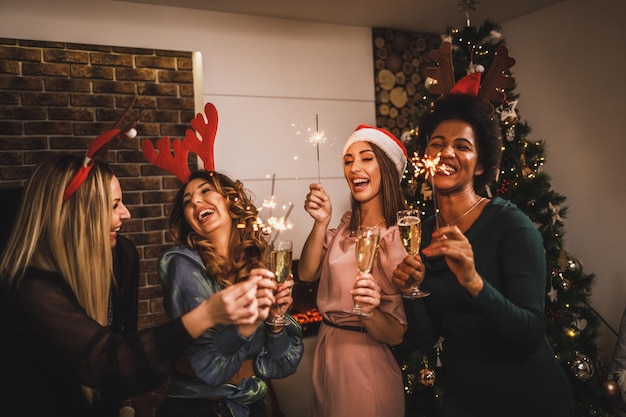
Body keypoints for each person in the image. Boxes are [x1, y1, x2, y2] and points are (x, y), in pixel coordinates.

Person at [0, 154, 274, 417]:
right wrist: (208, 314)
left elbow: (122, 338)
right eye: (114, 204)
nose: (127, 213)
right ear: (77, 213)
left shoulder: (121, 257)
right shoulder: (28, 289)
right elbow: (111, 360)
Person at [392, 92, 576, 417]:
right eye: (437, 143)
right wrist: (410, 293)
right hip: (466, 399)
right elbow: (426, 338)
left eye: (462, 146)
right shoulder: (419, 233)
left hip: (529, 399)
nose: (446, 151)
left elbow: (530, 334)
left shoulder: (511, 226)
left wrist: (474, 282)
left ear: (481, 165)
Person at [155, 170, 304, 417]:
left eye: (205, 191)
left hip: (253, 403)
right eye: (187, 201)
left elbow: (280, 365)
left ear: (229, 199)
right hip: (200, 408)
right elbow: (211, 364)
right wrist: (249, 321)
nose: (195, 201)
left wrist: (275, 321)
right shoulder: (182, 264)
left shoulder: (257, 263)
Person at [299, 125, 408, 417]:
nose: (354, 167)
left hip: (364, 362)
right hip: (327, 352)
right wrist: (321, 222)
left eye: (366, 158)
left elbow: (397, 333)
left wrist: (370, 311)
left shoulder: (394, 238)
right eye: (348, 161)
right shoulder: (346, 226)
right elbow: (307, 273)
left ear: (387, 168)